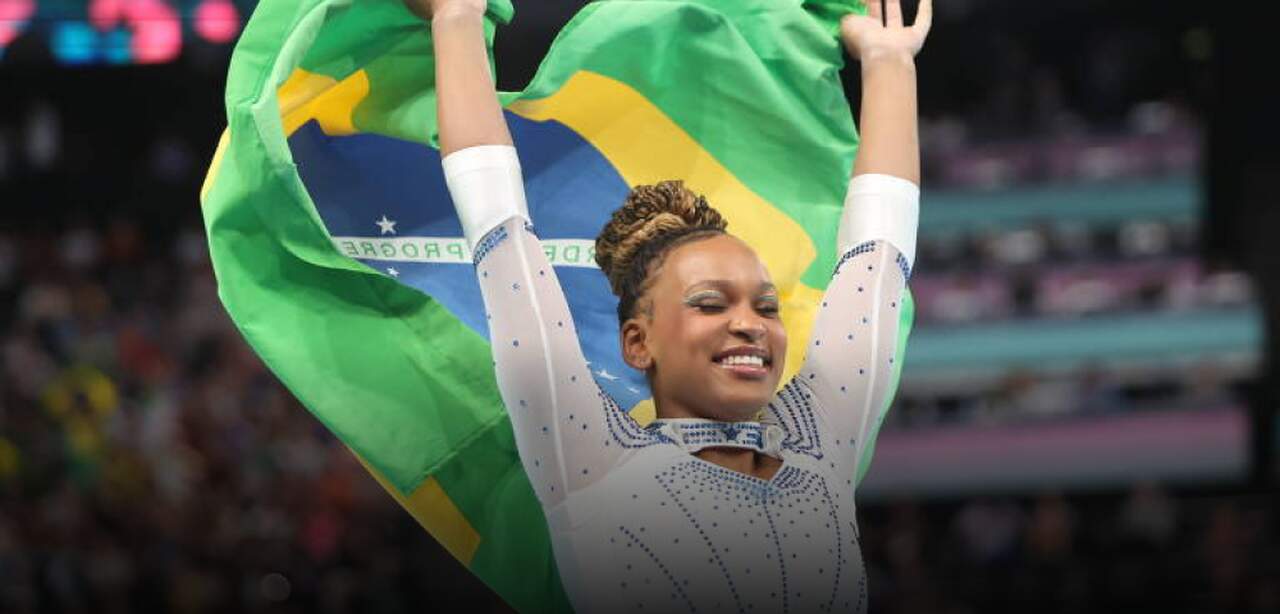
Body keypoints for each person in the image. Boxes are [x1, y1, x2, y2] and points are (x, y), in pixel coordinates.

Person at [422, 0, 931, 610]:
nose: (749, 324)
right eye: (710, 304)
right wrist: (456, 21)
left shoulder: (819, 445)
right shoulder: (592, 461)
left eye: (766, 307)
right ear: (639, 342)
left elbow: (878, 260)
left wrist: (888, 62)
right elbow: (500, 232)